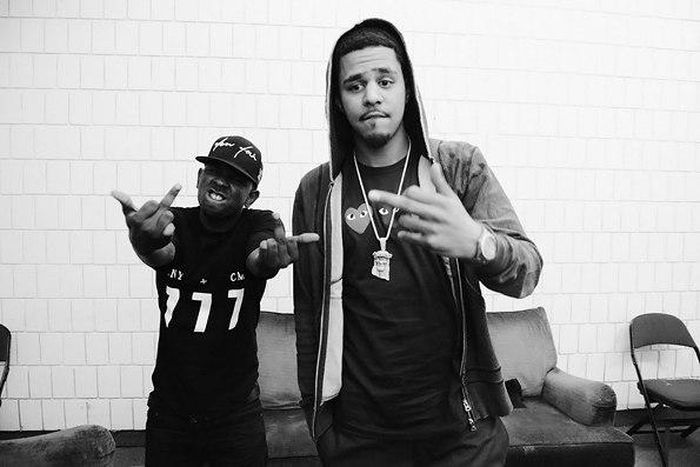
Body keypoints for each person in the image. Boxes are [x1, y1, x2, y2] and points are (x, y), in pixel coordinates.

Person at [292, 19, 543, 466]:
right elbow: (309, 316)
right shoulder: (317, 190)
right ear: (338, 101)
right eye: (355, 85)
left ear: (407, 90)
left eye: (385, 81)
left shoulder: (456, 167)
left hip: (461, 436)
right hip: (359, 439)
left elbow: (527, 272)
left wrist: (479, 242)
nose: (372, 96)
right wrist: (321, 424)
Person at [112, 136, 318, 466]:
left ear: (251, 196)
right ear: (199, 178)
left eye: (235, 178)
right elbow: (161, 253)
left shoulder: (259, 222)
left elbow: (257, 258)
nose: (220, 180)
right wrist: (142, 241)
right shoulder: (174, 222)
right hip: (170, 412)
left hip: (236, 414)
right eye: (214, 170)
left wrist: (269, 260)